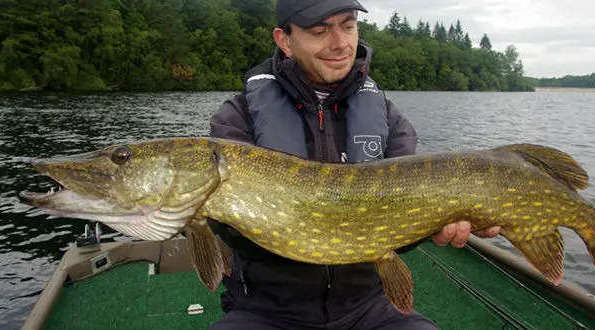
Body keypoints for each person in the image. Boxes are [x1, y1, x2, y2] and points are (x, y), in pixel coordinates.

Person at [208, 0, 500, 329]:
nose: (341, 43)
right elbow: (229, 229)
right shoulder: (238, 117)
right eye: (319, 31)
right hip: (266, 310)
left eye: (348, 26)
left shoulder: (388, 118)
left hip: (368, 306)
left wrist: (443, 222)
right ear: (284, 41)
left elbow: (401, 227)